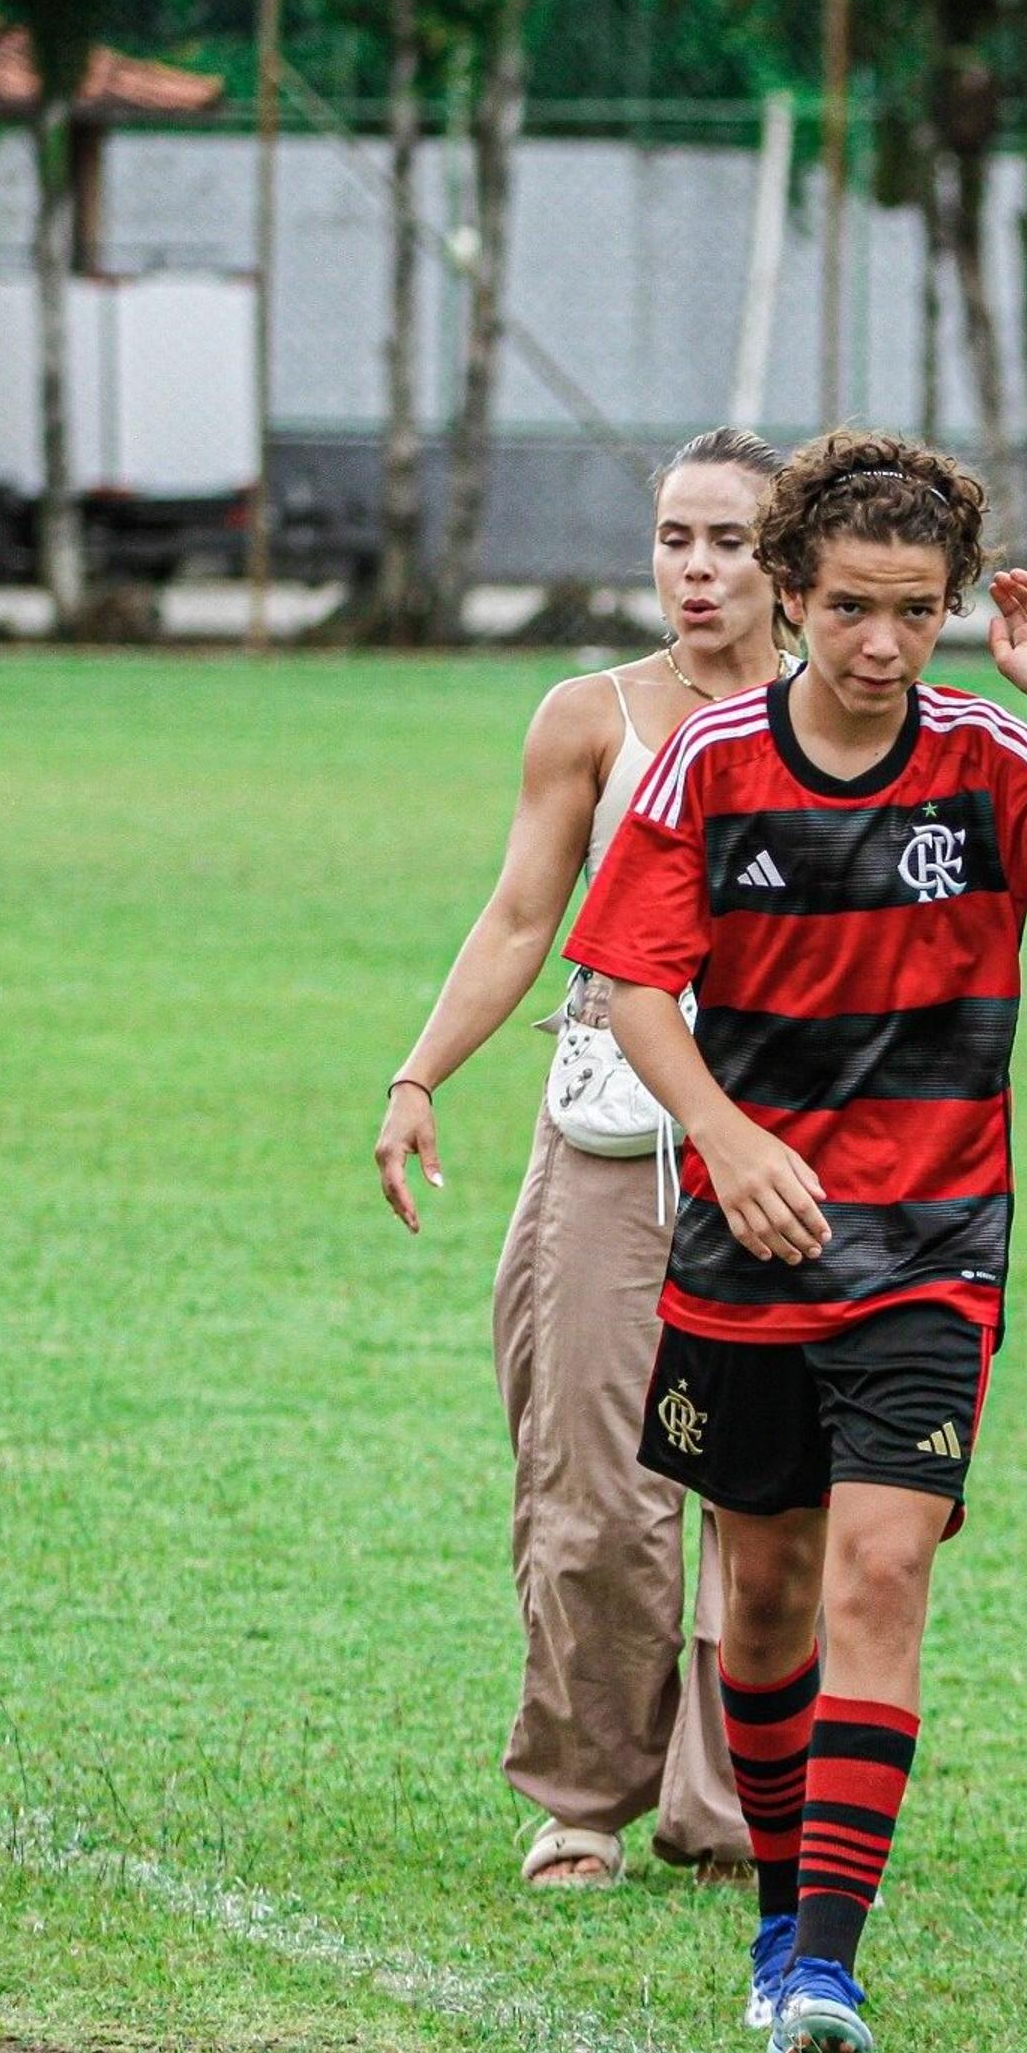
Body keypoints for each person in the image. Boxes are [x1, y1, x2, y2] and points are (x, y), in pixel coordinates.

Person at [564, 429, 1027, 2053]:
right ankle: (784, 1908)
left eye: (917, 612)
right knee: (765, 1600)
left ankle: (826, 1969)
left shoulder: (987, 757)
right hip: (743, 1242)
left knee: (880, 1574)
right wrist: (727, 1133)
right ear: (789, 596)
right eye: (851, 607)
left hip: (931, 1249)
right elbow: (634, 986)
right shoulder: (705, 765)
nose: (881, 643)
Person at [374, 428, 793, 1890]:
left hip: (791, 1153)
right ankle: (584, 1796)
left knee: (766, 1491)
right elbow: (515, 921)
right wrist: (422, 1073)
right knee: (596, 1487)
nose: (696, 570)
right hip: (611, 1137)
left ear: (786, 557)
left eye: (730, 541)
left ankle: (733, 1802)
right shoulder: (590, 718)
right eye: (675, 539)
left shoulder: (851, 717)